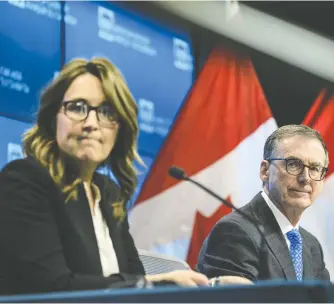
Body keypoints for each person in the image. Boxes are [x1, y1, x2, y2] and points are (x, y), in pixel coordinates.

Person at [0, 58, 211, 295]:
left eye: (106, 112)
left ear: (120, 128)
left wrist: (212, 286)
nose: (91, 123)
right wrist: (159, 283)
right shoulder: (24, 180)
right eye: (77, 107)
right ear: (53, 119)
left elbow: (133, 280)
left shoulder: (108, 192)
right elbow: (52, 288)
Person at [197, 125, 330, 282]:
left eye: (315, 168)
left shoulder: (311, 245)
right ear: (265, 171)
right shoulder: (235, 231)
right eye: (293, 164)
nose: (305, 178)